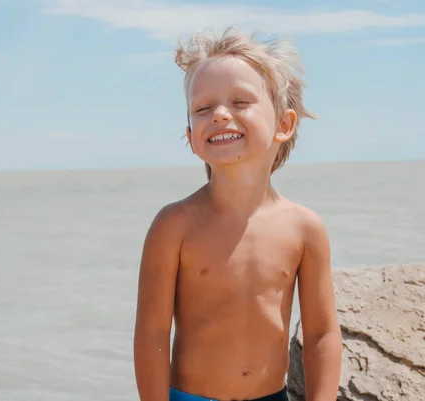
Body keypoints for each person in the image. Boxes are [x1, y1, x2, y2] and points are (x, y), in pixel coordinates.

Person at [133, 26, 342, 401]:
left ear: (284, 124)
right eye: (203, 108)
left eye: (241, 102)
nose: (220, 115)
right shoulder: (174, 225)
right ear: (190, 135)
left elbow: (321, 335)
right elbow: (151, 333)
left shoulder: (304, 229)